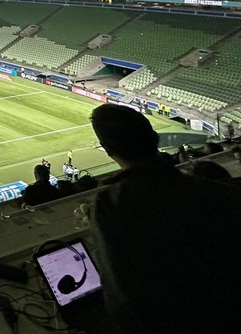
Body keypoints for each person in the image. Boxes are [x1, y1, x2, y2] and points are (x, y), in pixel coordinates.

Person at [89, 103, 241, 333]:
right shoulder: (217, 191)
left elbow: (120, 296)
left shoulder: (109, 205)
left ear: (107, 149)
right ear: (154, 138)